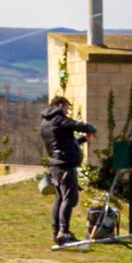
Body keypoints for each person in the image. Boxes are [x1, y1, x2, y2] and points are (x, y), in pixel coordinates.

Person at [39, 96, 96, 246]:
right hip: (64, 165)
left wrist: (83, 139)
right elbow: (78, 125)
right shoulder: (58, 118)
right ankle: (64, 232)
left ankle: (57, 232)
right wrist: (90, 128)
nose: (67, 111)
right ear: (60, 105)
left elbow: (64, 143)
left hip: (56, 164)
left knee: (60, 198)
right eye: (67, 108)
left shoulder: (46, 122)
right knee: (69, 198)